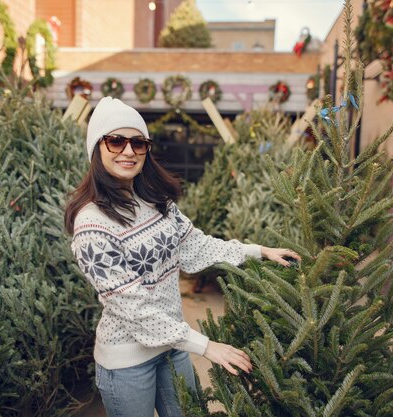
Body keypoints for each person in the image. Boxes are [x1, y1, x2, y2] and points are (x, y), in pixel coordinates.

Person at [64, 97, 300, 417]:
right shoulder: (92, 224)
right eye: (116, 141)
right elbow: (133, 307)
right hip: (126, 364)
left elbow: (196, 247)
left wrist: (257, 251)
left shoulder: (157, 202)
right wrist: (206, 346)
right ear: (96, 148)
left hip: (173, 349)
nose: (129, 151)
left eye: (138, 142)